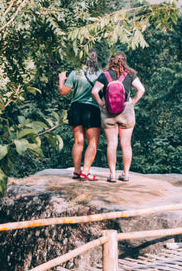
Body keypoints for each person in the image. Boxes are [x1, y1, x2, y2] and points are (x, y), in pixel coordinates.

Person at [92, 52, 146, 183]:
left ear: (110, 61)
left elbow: (94, 91)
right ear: (124, 61)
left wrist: (101, 103)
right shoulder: (129, 74)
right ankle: (126, 174)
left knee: (112, 144)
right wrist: (133, 102)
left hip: (108, 112)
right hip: (126, 110)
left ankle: (112, 174)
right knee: (126, 144)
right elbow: (141, 89)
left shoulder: (104, 75)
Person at [59, 50, 102, 180]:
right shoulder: (100, 74)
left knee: (78, 141)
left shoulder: (75, 73)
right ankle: (86, 172)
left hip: (76, 108)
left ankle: (76, 172)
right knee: (92, 142)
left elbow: (63, 92)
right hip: (92, 109)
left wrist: (61, 79)